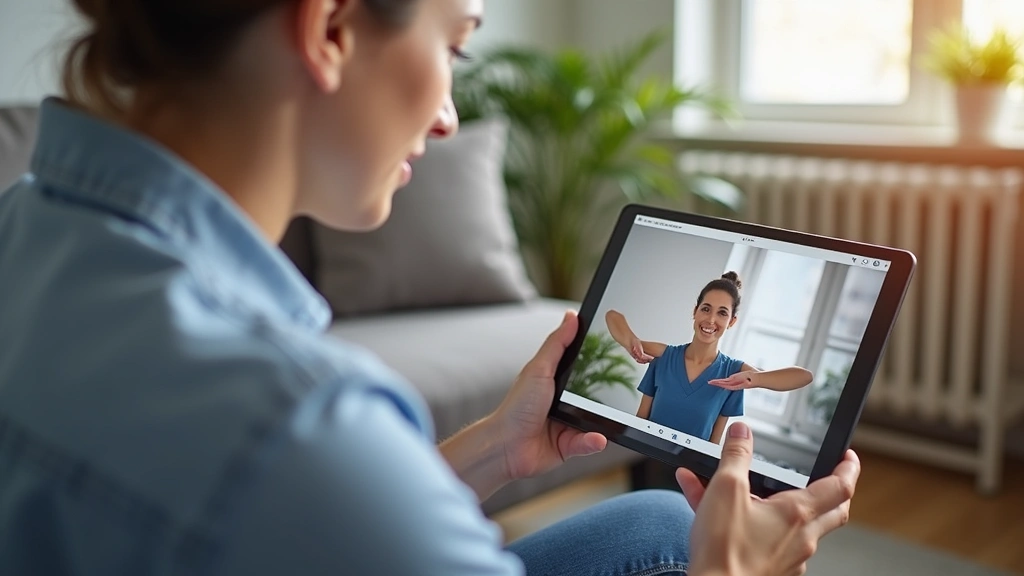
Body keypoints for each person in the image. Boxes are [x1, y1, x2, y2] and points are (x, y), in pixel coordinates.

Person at [0, 1, 859, 574]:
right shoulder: (299, 421)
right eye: (451, 46)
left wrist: (490, 446)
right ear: (331, 27)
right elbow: (308, 481)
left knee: (662, 525)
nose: (449, 116)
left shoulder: (19, 223)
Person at [606, 272, 814, 443]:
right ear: (695, 312)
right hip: (642, 458)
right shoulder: (664, 356)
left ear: (732, 322)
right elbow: (612, 316)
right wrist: (631, 341)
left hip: (688, 473)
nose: (711, 320)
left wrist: (755, 379)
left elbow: (804, 376)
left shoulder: (735, 374)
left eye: (722, 313)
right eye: (706, 309)